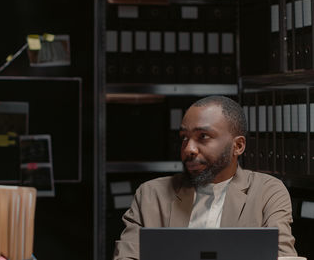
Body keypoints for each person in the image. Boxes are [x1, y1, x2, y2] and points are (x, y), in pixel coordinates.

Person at [114, 96, 297, 260]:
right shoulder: (151, 194)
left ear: (238, 146)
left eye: (203, 136)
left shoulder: (267, 191)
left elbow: (282, 256)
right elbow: (126, 256)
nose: (188, 149)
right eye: (184, 137)